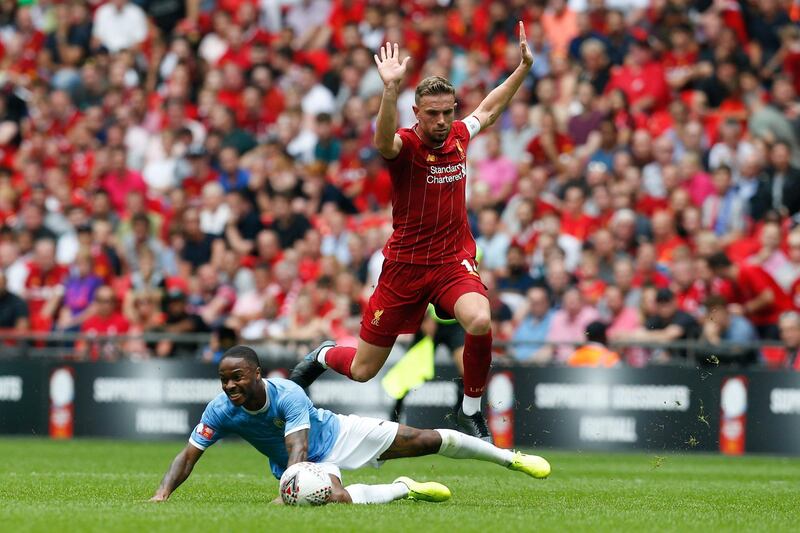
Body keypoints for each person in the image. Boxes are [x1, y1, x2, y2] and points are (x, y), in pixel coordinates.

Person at [291, 23, 535, 442]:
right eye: (433, 114)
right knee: (365, 370)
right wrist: (389, 89)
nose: (442, 121)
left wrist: (522, 69)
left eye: (448, 112)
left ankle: (470, 409)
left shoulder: (459, 135)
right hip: (403, 267)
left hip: (450, 262)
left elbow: (490, 109)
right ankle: (323, 353)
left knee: (479, 320)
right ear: (416, 114)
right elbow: (382, 140)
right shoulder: (404, 146)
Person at [150, 346, 550, 505]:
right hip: (309, 462)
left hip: (338, 434)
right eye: (224, 380)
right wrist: (162, 494)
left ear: (256, 373)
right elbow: (189, 454)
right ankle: (402, 488)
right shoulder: (220, 409)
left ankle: (507, 457)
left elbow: (299, 450)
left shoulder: (287, 393)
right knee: (334, 500)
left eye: (237, 377)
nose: (230, 385)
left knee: (425, 439)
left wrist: (287, 490)